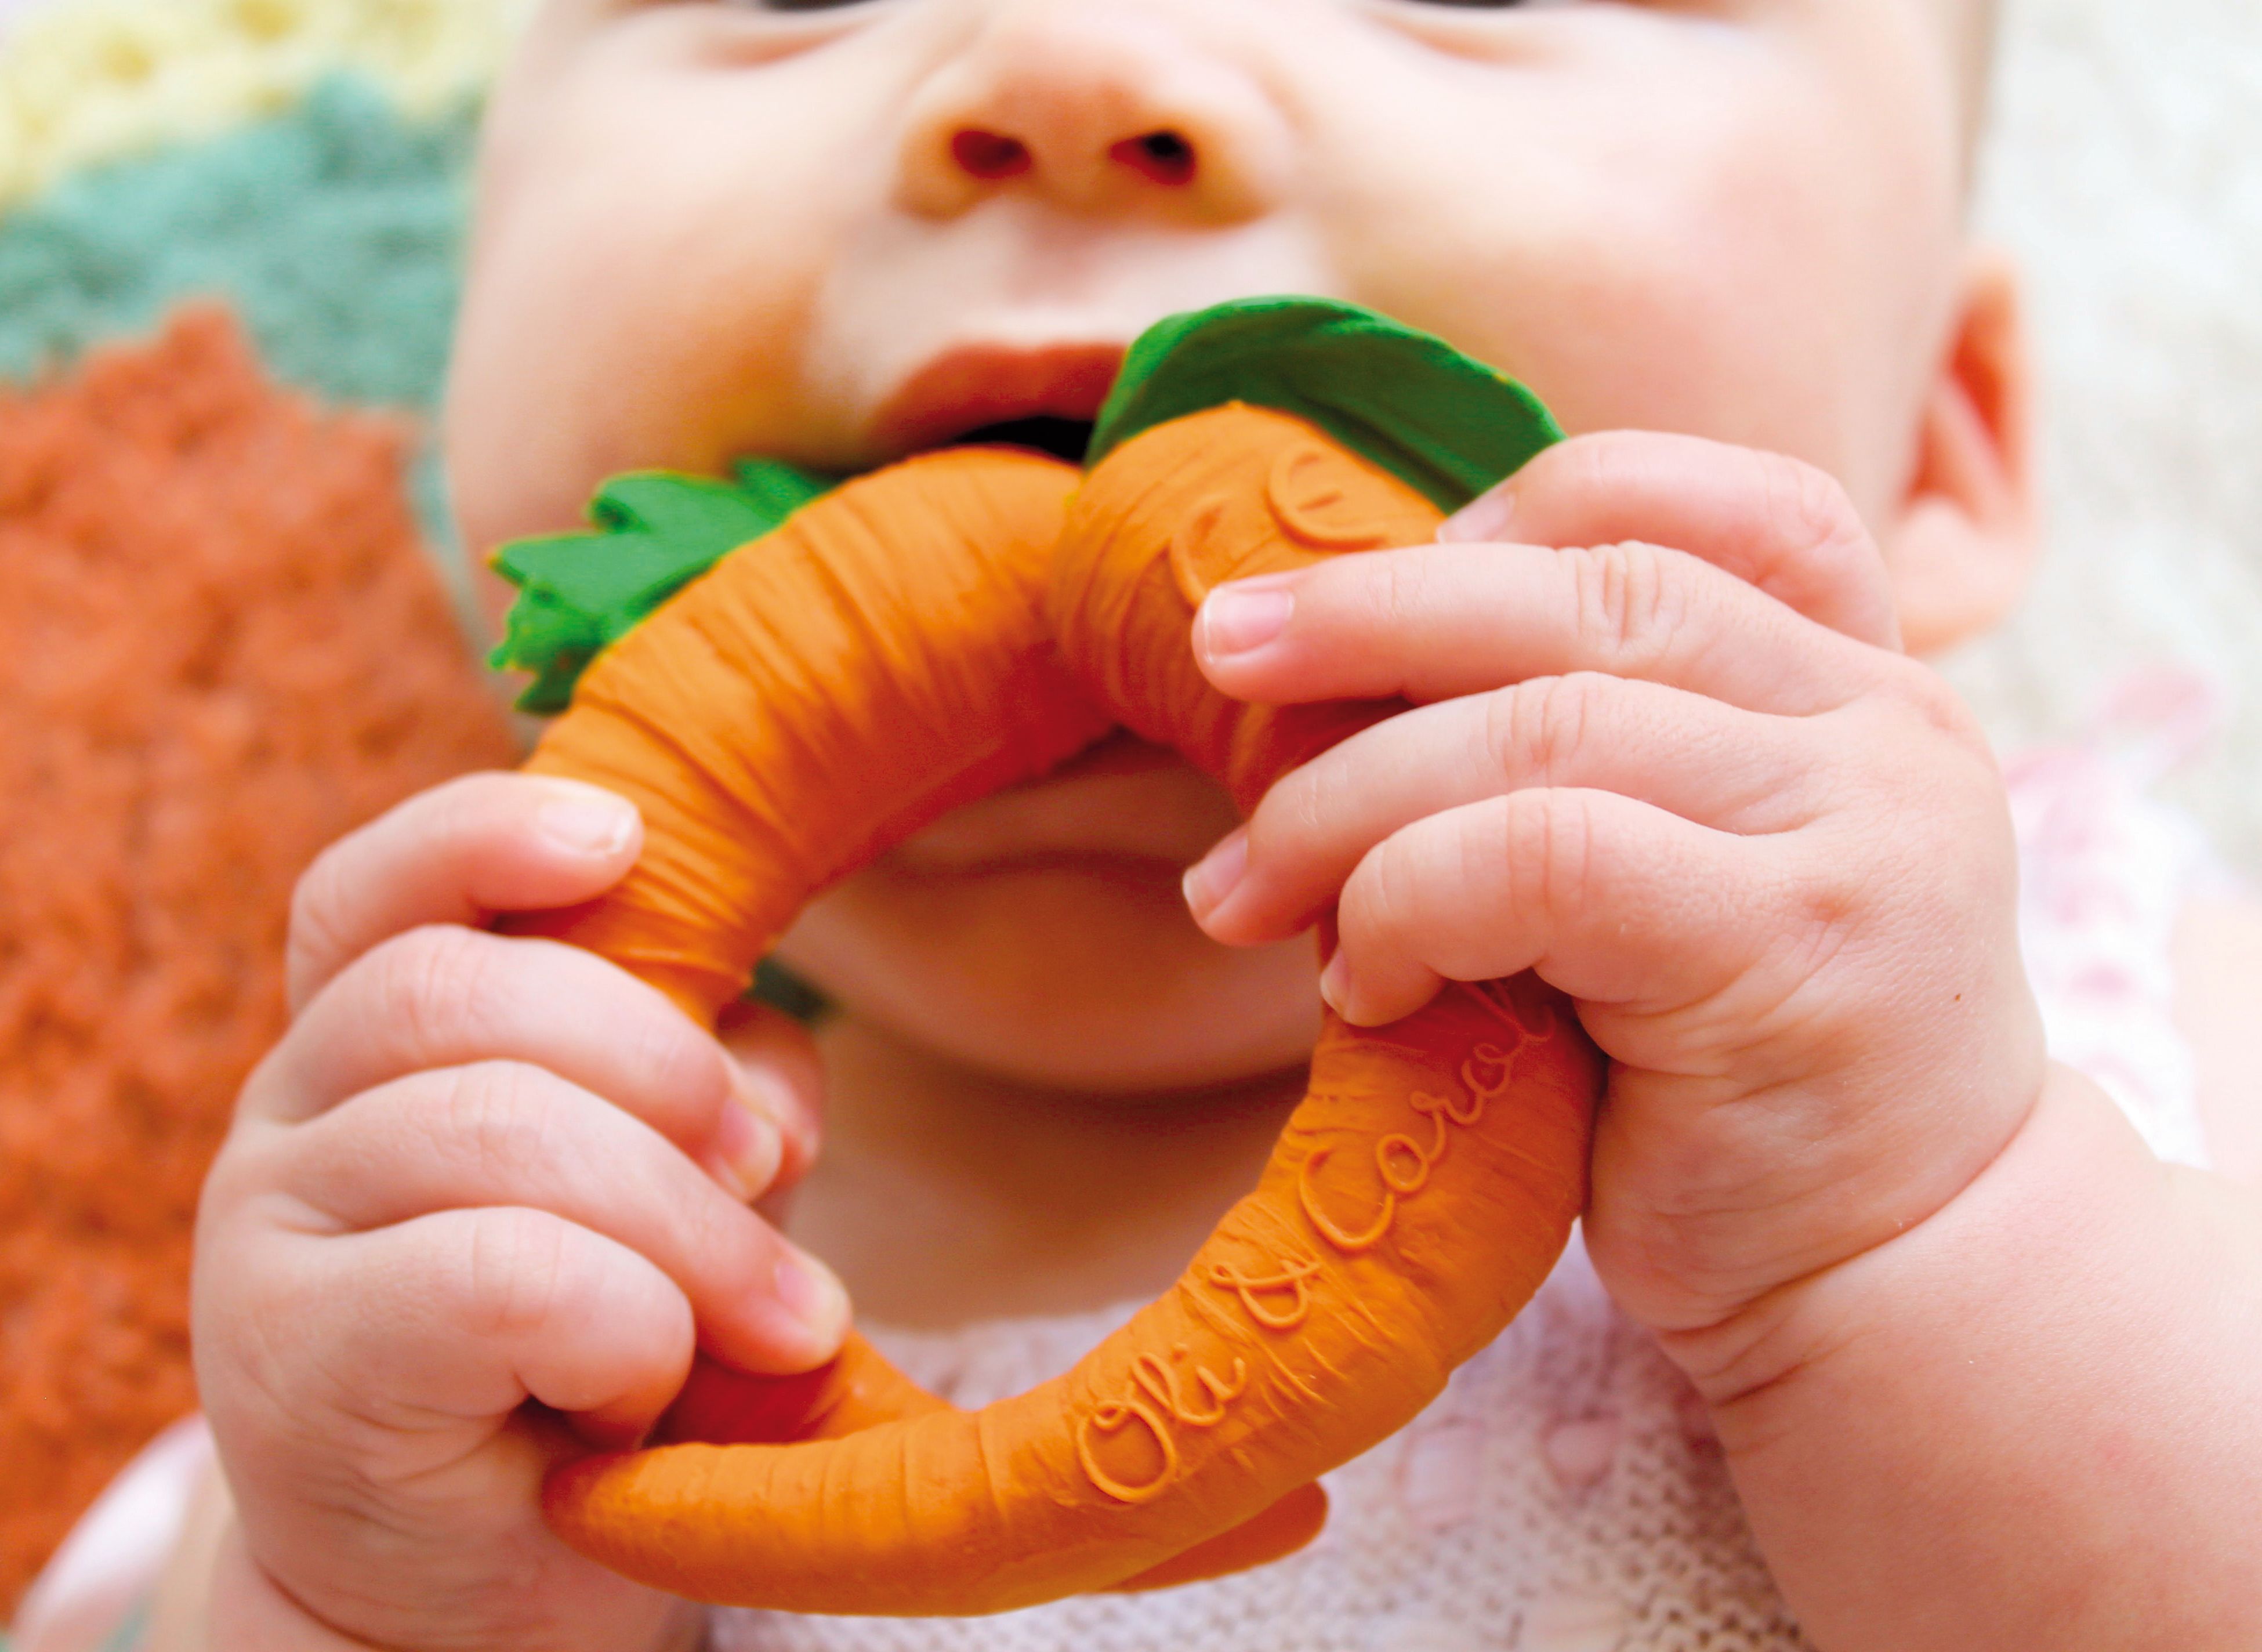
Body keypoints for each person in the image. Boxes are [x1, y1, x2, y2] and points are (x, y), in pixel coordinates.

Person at [21, 0, 2262, 1647]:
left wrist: (1920, 1237)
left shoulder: (2065, 1029)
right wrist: (366, 1602)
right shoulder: (422, 1284)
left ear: (1943, 448)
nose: (1079, 65)